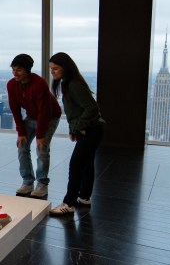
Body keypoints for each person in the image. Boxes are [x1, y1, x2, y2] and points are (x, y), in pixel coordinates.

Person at [48, 52, 106, 216]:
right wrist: (74, 130)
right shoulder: (69, 83)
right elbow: (75, 112)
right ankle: (84, 198)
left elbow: (92, 108)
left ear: (65, 68)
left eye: (56, 68)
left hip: (91, 130)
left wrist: (78, 127)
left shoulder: (73, 84)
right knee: (86, 164)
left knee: (76, 165)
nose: (53, 72)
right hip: (89, 130)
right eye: (51, 69)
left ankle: (69, 203)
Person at [7, 53, 62, 198]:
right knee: (22, 145)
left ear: (27, 70)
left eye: (18, 69)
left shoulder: (39, 84)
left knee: (42, 148)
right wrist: (21, 132)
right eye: (13, 69)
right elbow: (15, 109)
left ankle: (42, 184)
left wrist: (40, 135)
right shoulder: (11, 85)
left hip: (50, 117)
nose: (15, 73)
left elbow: (45, 111)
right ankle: (27, 181)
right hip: (31, 117)